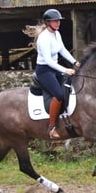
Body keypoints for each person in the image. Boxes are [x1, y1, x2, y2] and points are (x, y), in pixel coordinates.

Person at [35, 8, 80, 139]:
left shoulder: (57, 34)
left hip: (54, 69)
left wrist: (75, 62)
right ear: (47, 22)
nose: (58, 23)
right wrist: (66, 70)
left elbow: (62, 50)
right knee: (59, 95)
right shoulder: (43, 38)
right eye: (55, 21)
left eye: (58, 21)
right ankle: (51, 127)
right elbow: (48, 61)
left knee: (69, 89)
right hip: (44, 70)